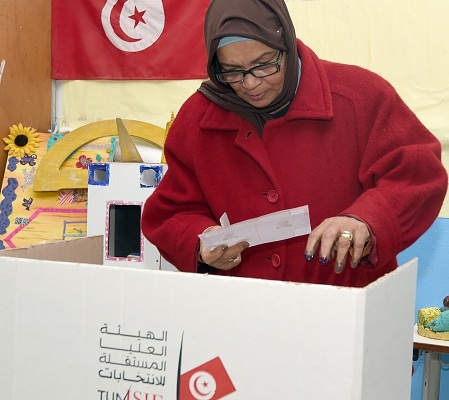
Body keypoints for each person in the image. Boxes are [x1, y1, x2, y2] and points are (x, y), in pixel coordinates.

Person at [142, 0, 448, 287]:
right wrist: (202, 241)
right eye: (232, 71)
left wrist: (367, 221)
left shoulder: (361, 97)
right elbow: (172, 210)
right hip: (243, 311)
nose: (250, 83)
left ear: (286, 44)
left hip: (346, 307)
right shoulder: (198, 118)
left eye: (264, 64)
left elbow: (418, 175)